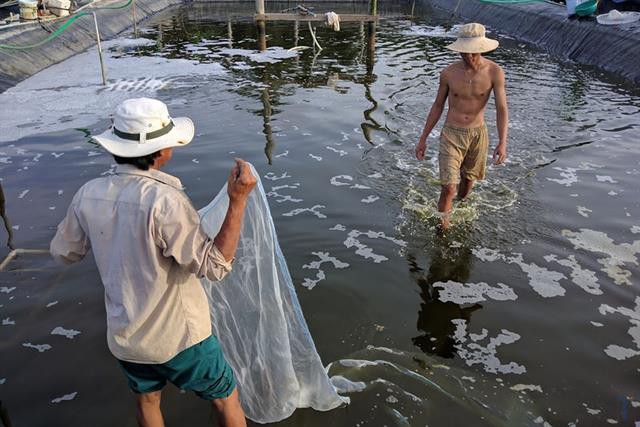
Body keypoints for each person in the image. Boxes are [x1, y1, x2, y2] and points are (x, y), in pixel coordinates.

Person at [50, 98, 256, 427]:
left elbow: (64, 252)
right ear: (161, 152)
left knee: (148, 400)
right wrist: (238, 200)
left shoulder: (88, 193)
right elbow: (215, 266)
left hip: (127, 339)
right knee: (225, 398)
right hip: (182, 340)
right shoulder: (165, 200)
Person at [415, 23, 508, 229]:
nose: (469, 57)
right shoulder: (448, 73)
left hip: (477, 134)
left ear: (482, 48)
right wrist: (423, 139)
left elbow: (502, 108)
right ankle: (442, 232)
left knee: (466, 184)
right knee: (449, 187)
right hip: (451, 133)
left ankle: (459, 209)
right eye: (464, 52)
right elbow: (437, 105)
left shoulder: (495, 72)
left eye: (473, 52)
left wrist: (502, 142)